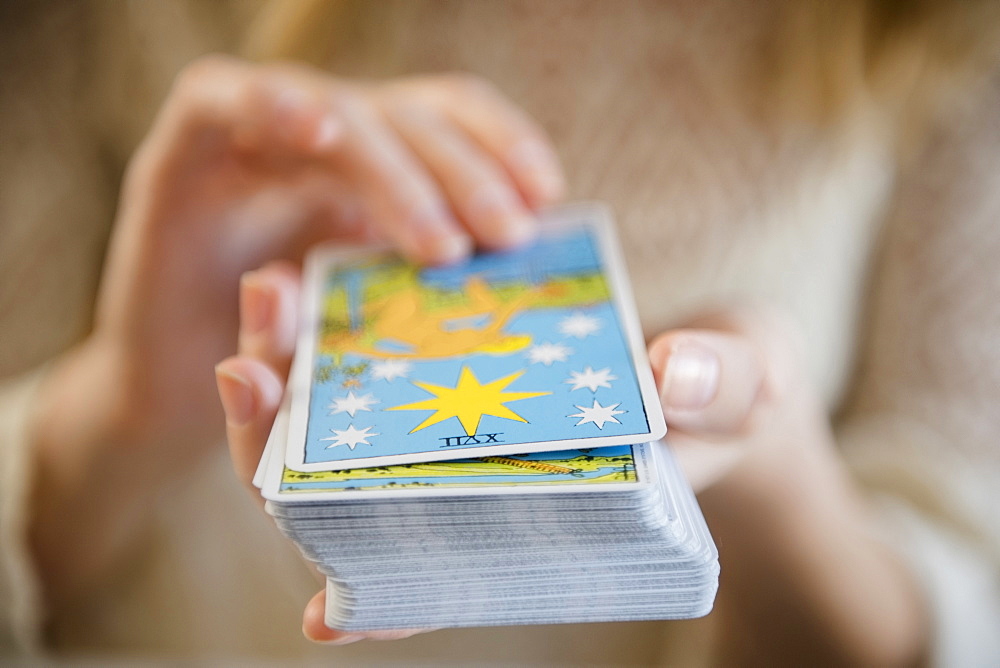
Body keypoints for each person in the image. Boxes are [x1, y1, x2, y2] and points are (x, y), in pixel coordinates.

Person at [2, 1, 998, 664]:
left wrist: (770, 483)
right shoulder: (91, 26)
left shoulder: (943, 37)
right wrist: (122, 408)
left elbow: (970, 584)